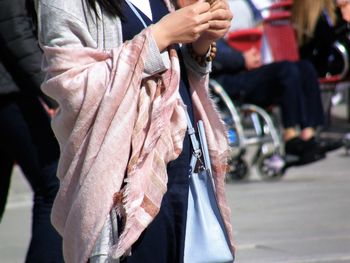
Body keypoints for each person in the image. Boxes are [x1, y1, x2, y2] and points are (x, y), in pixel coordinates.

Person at [35, 0, 234, 262]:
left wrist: (201, 43)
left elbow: (177, 74)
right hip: (123, 181)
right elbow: (70, 87)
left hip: (181, 164)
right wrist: (158, 37)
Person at [213, 0, 328, 165]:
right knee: (286, 70)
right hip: (226, 78)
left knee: (305, 67)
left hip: (246, 65)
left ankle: (308, 135)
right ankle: (290, 137)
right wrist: (241, 58)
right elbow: (207, 51)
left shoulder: (245, 3)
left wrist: (250, 44)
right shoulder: (204, 7)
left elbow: (260, 22)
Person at [0, 0, 63, 262]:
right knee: (55, 187)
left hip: (11, 90)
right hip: (11, 92)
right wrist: (56, 94)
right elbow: (14, 29)